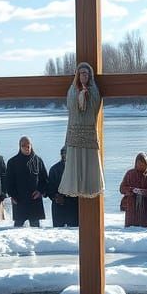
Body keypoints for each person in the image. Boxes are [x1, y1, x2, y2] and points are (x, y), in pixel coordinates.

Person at [58, 62, 104, 199]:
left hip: (89, 131)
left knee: (91, 163)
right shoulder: (72, 90)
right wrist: (79, 95)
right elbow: (72, 107)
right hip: (76, 131)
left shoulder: (94, 90)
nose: (84, 75)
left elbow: (96, 105)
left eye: (86, 73)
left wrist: (87, 95)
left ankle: (91, 186)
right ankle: (75, 186)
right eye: (82, 73)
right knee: (75, 163)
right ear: (77, 75)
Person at [6, 137, 48, 228]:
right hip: (19, 199)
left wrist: (40, 191)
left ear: (31, 145)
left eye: (28, 145)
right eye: (23, 146)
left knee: (35, 227)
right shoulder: (12, 162)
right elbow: (8, 181)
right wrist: (12, 195)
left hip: (34, 199)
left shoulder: (38, 160)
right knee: (18, 227)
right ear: (20, 147)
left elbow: (44, 179)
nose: (26, 148)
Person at [119, 152, 147, 228]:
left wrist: (143, 192)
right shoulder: (130, 173)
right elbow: (122, 188)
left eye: (143, 163)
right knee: (131, 231)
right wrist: (132, 190)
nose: (141, 165)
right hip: (132, 210)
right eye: (139, 163)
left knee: (146, 232)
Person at [47, 147, 78, 228]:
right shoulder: (54, 169)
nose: (65, 156)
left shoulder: (77, 169)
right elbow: (49, 188)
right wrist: (55, 197)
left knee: (74, 230)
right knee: (58, 231)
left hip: (73, 205)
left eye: (67, 154)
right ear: (61, 155)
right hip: (58, 206)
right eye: (63, 154)